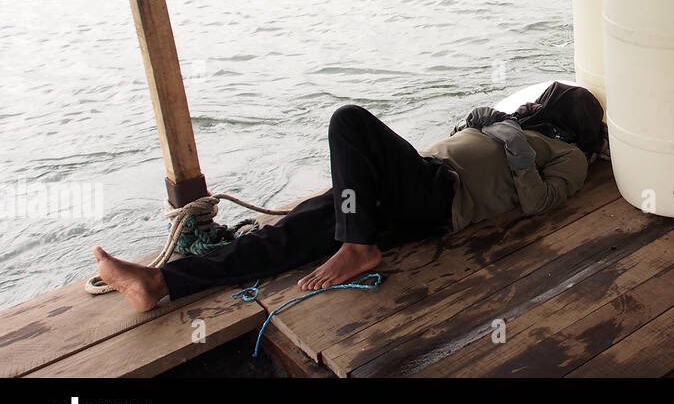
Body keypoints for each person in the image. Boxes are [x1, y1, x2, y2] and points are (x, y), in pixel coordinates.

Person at [92, 82, 604, 312]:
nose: (540, 104)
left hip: (441, 197)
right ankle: (161, 283)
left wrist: (516, 151)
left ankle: (357, 246)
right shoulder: (517, 123)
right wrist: (485, 125)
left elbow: (540, 202)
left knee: (348, 120)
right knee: (293, 231)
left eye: (550, 103)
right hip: (412, 184)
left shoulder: (569, 156)